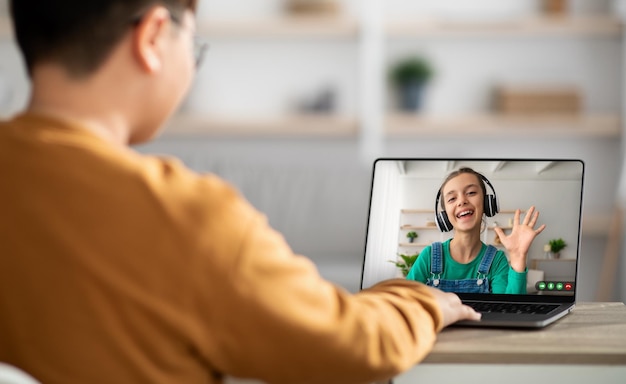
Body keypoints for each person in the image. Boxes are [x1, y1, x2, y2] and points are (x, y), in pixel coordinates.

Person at [0, 1, 481, 383]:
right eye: (193, 46)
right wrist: (423, 300)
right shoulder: (187, 216)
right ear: (150, 38)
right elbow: (351, 348)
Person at [407, 167, 546, 294]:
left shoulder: (496, 261)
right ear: (444, 215)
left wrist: (518, 257)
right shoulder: (429, 257)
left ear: (487, 203)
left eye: (471, 192)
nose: (461, 201)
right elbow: (402, 305)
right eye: (452, 198)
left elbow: (510, 312)